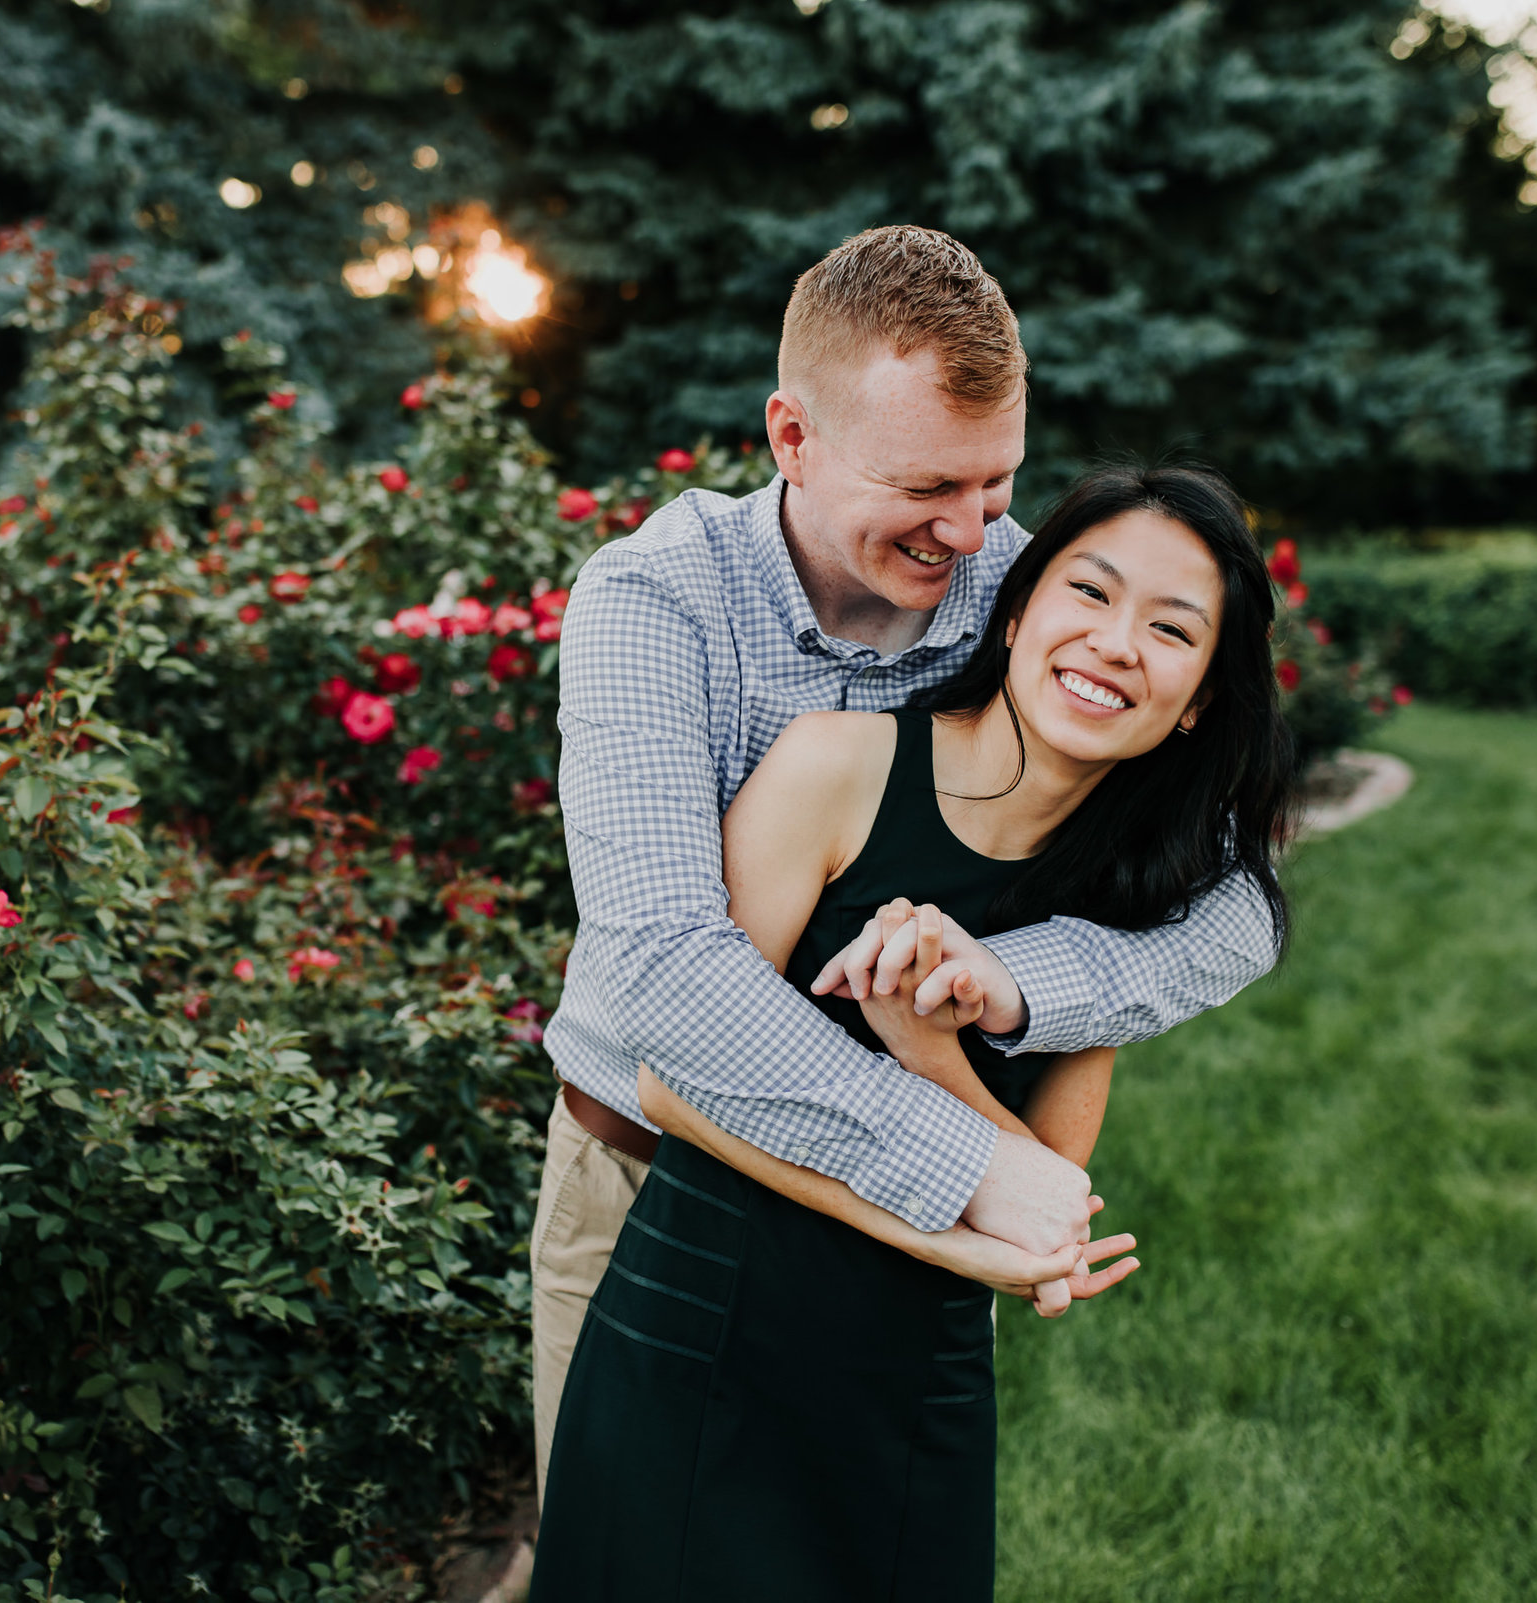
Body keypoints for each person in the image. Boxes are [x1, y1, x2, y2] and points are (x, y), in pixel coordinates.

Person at [532, 225, 1285, 1501]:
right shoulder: (654, 602)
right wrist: (973, 1169)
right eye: (926, 486)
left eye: (995, 484)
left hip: (900, 1244)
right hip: (653, 1191)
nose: (969, 531)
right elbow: (662, 966)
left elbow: (1235, 910)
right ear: (791, 437)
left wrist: (1018, 978)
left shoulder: (1020, 585)